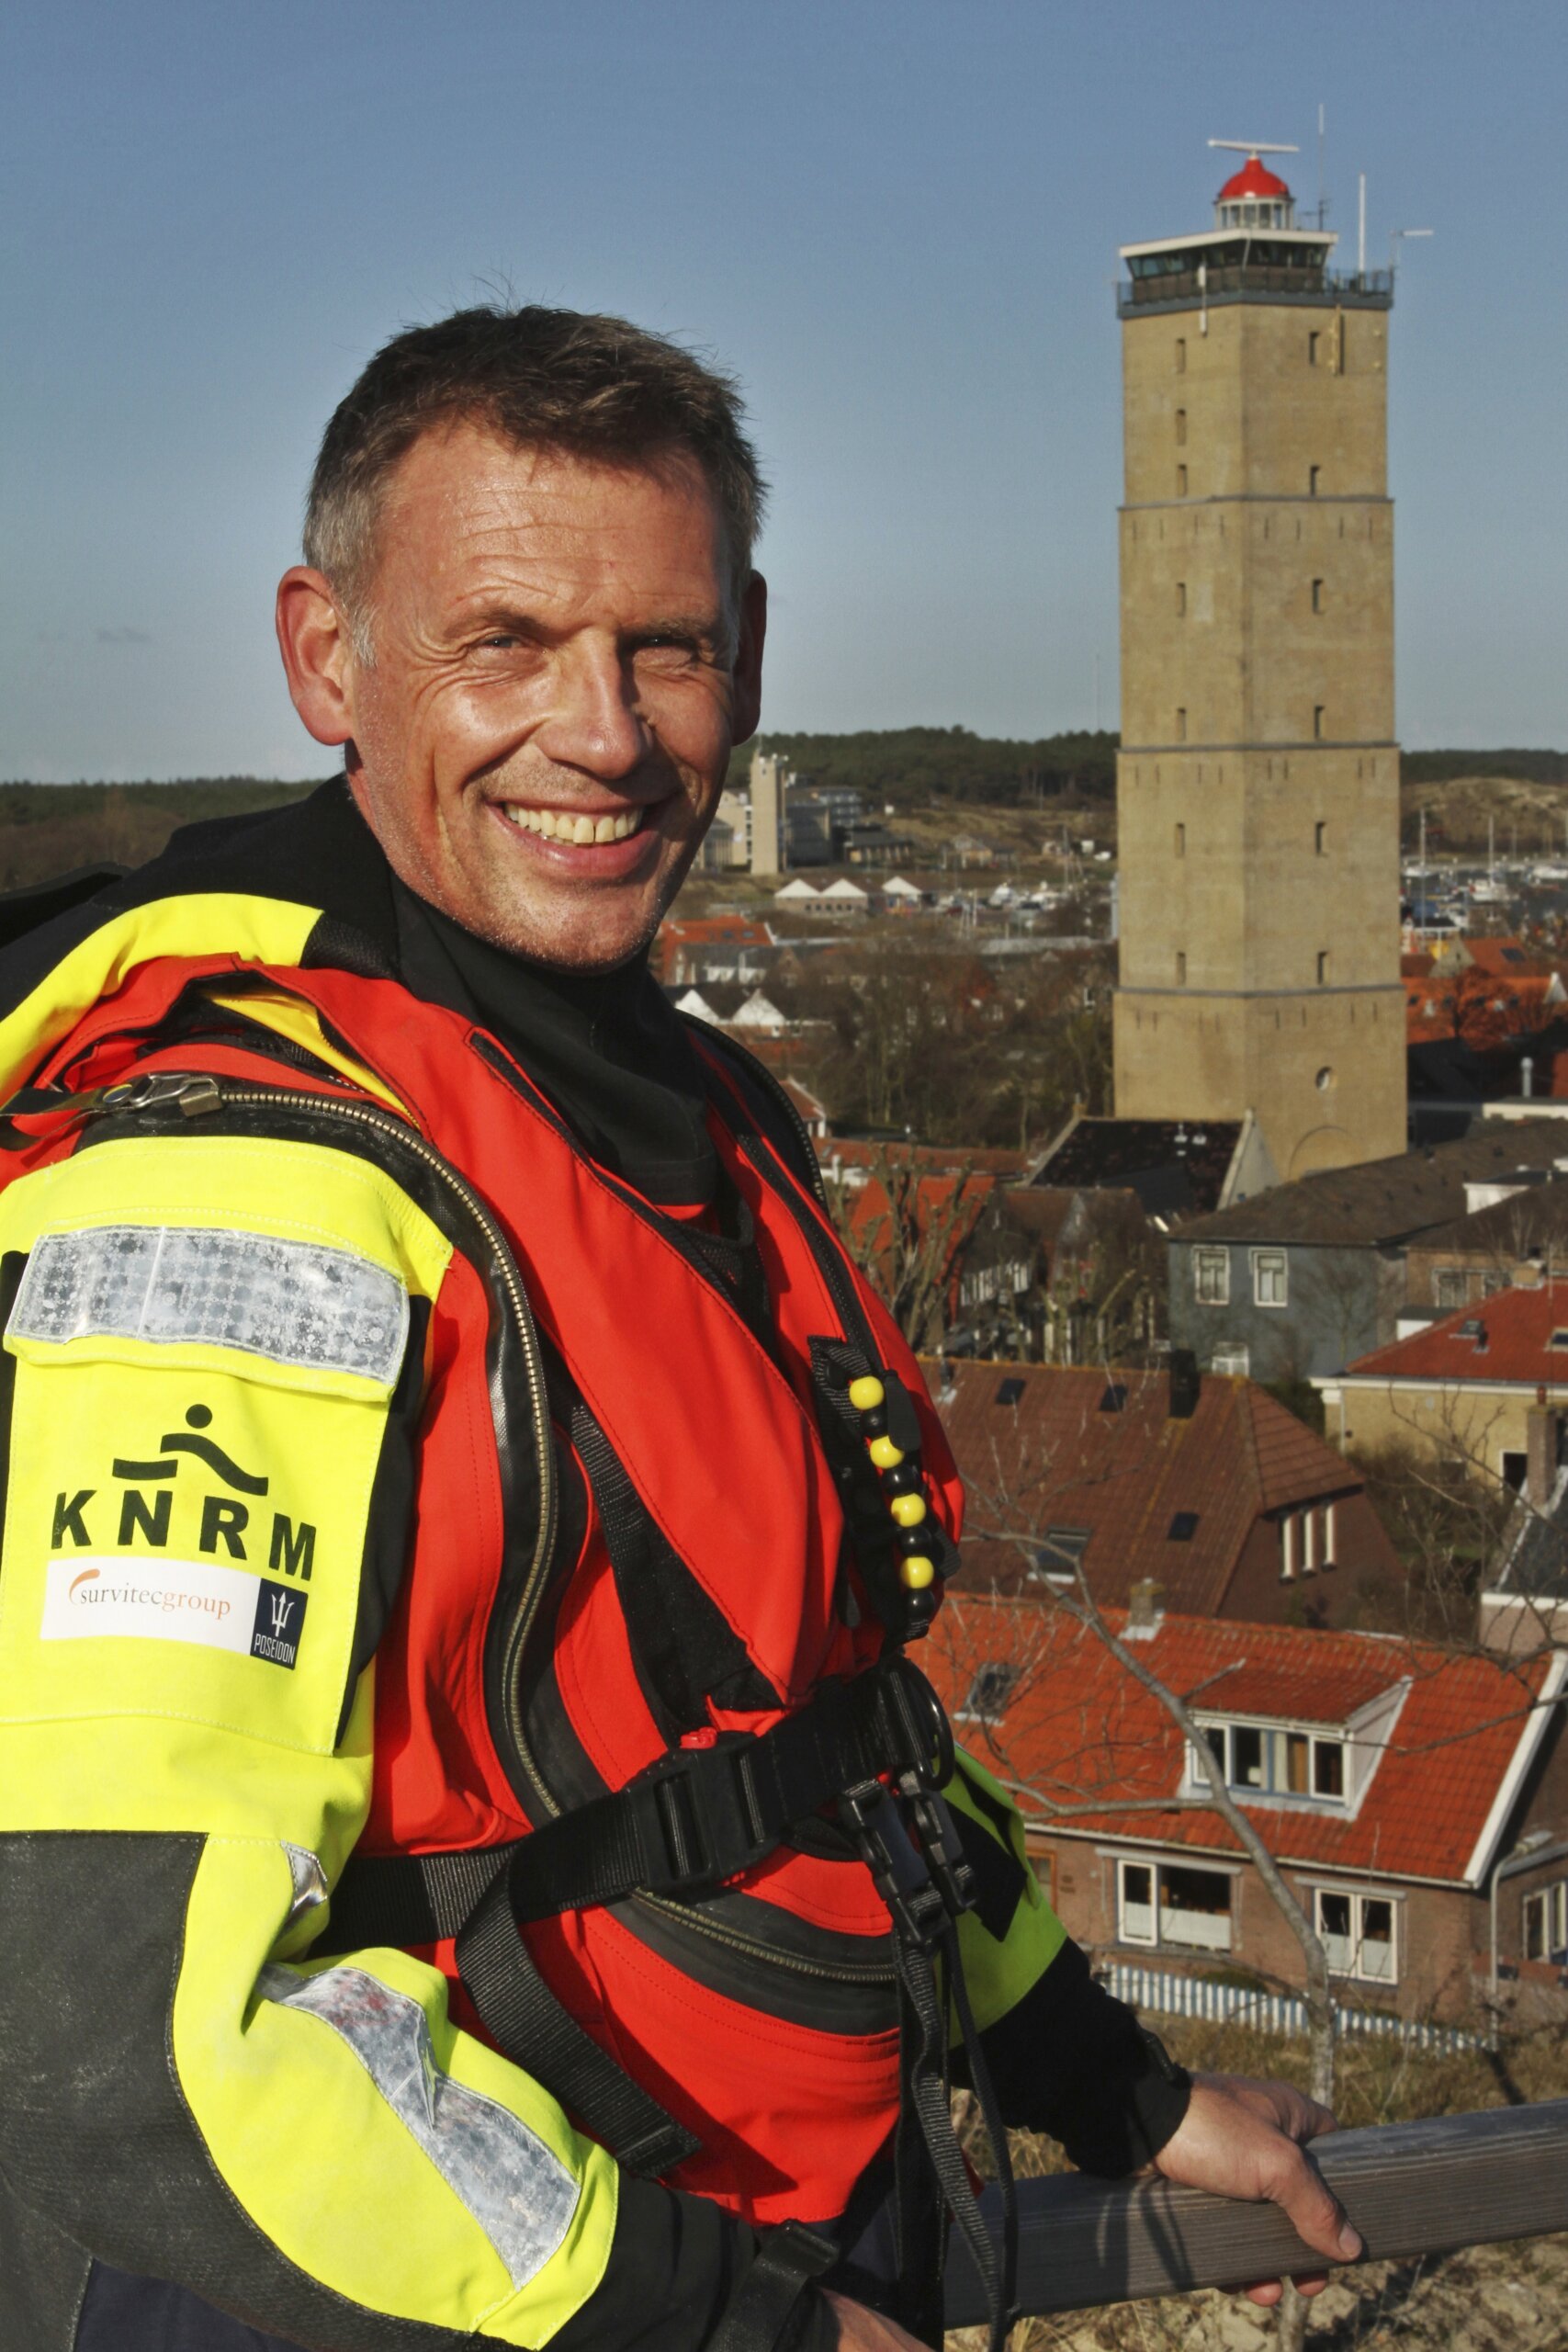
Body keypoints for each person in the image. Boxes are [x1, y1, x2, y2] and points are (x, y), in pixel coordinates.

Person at [0, 306, 1360, 2352]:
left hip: (778, 2214)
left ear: (748, 651)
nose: (606, 732)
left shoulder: (667, 1105)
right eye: (505, 642)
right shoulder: (238, 1200)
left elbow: (799, 1725)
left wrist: (1100, 2080)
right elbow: (131, 2048)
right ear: (323, 657)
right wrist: (721, 2324)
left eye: (665, 644)